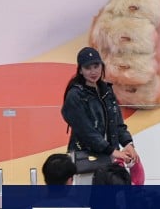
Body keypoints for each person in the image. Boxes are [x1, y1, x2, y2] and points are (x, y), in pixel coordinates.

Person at [61, 47, 143, 186]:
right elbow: (86, 132)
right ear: (80, 70)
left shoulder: (107, 90)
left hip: (109, 158)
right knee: (88, 200)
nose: (93, 71)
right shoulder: (75, 96)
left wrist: (128, 144)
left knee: (111, 200)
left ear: (102, 66)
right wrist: (112, 151)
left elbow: (118, 123)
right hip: (86, 158)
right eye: (88, 67)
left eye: (96, 66)